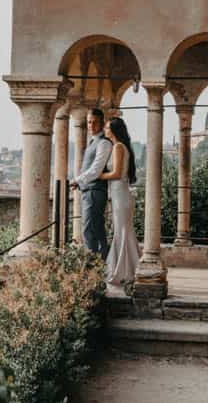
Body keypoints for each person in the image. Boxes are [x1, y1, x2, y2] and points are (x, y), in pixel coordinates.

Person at [98, 117, 141, 287]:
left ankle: (126, 271)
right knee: (123, 232)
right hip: (120, 195)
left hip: (120, 195)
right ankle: (128, 269)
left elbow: (116, 173)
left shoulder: (117, 147)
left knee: (122, 233)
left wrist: (99, 175)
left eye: (107, 127)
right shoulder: (122, 147)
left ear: (114, 130)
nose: (105, 130)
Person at [70, 108, 112, 258]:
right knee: (96, 229)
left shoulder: (103, 143)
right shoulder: (94, 142)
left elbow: (96, 169)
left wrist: (77, 180)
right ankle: (101, 265)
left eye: (94, 122)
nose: (91, 125)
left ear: (102, 123)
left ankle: (93, 266)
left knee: (88, 229)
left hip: (95, 192)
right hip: (90, 191)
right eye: (89, 122)